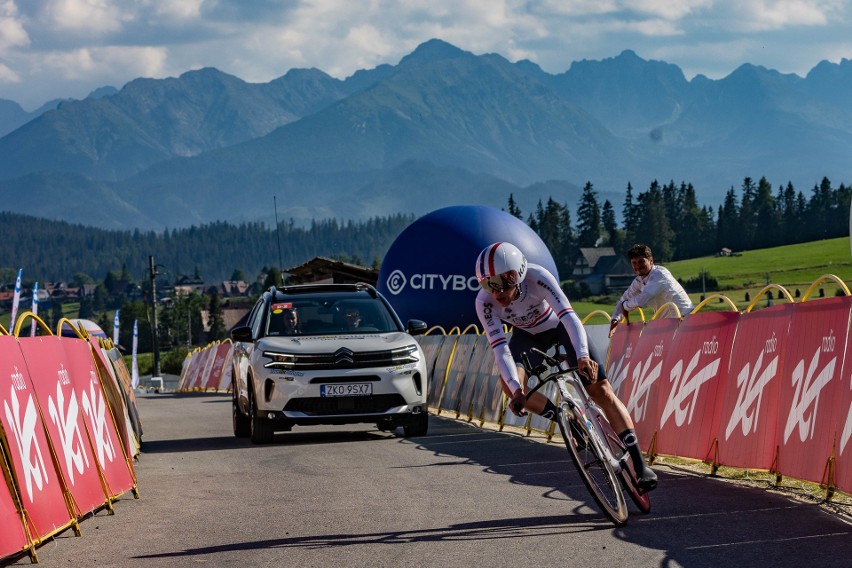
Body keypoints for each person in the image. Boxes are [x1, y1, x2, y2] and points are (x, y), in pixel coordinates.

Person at [474, 241, 657, 490]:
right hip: (526, 337)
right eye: (487, 284)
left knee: (600, 391)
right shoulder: (484, 302)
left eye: (499, 283)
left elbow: (569, 317)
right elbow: (500, 348)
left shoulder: (537, 277)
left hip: (559, 328)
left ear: (517, 274)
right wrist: (517, 390)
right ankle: (566, 421)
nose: (495, 292)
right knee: (510, 386)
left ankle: (639, 462)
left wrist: (582, 356)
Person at [609, 244, 694, 338]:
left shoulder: (660, 274)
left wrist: (625, 306)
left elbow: (643, 299)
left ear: (651, 260)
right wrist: (615, 319)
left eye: (641, 261)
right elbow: (623, 299)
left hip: (685, 319)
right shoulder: (638, 281)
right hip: (667, 324)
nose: (638, 266)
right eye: (634, 263)